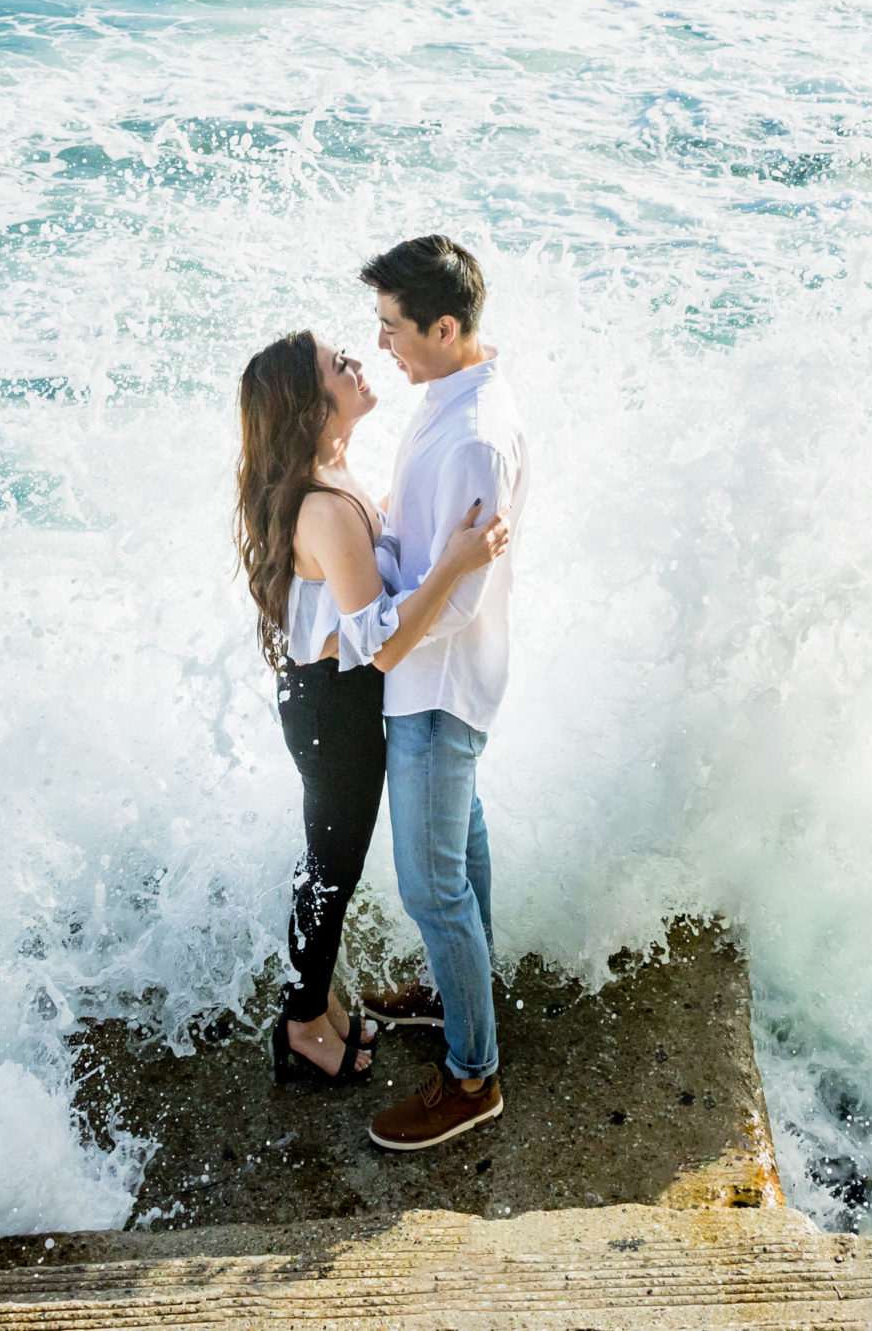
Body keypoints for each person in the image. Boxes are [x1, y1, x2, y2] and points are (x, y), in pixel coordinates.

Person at [235, 329, 512, 1086]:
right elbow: (382, 642)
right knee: (332, 863)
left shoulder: (329, 470)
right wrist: (455, 561)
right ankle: (300, 1022)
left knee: (334, 858)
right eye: (338, 365)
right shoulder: (321, 505)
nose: (357, 362)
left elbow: (369, 572)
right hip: (332, 707)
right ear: (310, 404)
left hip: (333, 694)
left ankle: (317, 1003)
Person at [354, 235, 529, 1152]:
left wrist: (377, 637)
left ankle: (472, 1074)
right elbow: (423, 544)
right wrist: (382, 540)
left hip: (434, 686)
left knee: (431, 887)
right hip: (443, 677)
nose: (382, 342)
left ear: (446, 325)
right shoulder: (449, 391)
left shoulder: (471, 434)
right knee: (461, 849)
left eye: (393, 326)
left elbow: (453, 600)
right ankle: (467, 993)